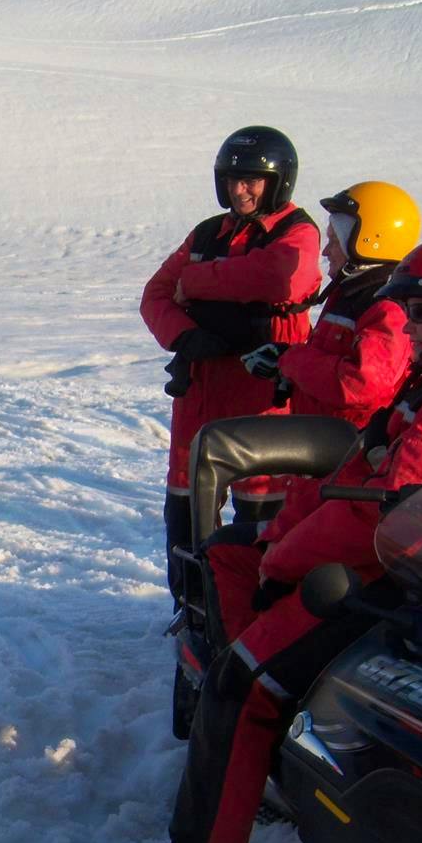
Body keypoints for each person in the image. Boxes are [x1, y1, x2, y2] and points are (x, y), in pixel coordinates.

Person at [117, 236, 422, 843]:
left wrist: (283, 557)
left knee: (241, 683)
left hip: (402, 582)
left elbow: (378, 517)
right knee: (230, 558)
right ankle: (270, 740)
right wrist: (276, 540)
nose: (409, 330)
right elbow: (352, 482)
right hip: (413, 568)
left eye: (421, 315)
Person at [141, 126, 321, 601]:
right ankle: (192, 606)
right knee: (185, 505)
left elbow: (279, 276)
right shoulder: (206, 233)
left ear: (278, 181)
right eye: (232, 179)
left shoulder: (296, 233)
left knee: (261, 509)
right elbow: (156, 294)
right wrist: (184, 334)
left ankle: (256, 610)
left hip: (261, 391)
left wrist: (197, 282)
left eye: (252, 180)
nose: (240, 189)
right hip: (200, 388)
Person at [240, 181, 419, 426]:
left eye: (335, 241)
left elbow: (359, 384)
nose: (325, 251)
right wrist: (287, 365)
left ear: (366, 241)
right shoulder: (351, 293)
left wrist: (293, 361)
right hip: (325, 440)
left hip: (349, 449)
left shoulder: (386, 307)